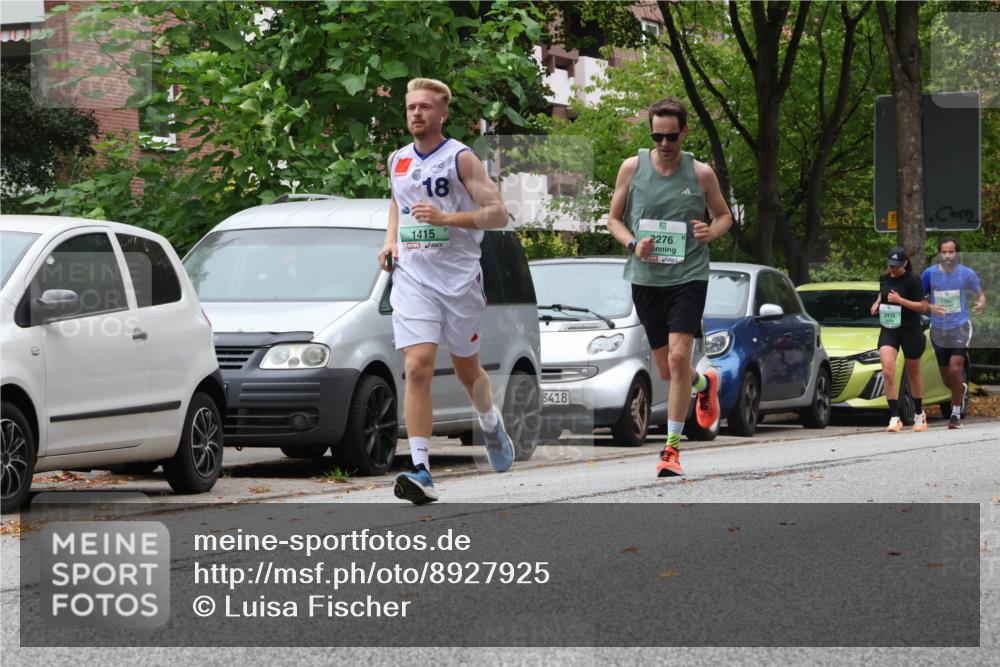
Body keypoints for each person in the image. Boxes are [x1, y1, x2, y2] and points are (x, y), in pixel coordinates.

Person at [378, 78, 513, 505]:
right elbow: (399, 201)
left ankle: (489, 421)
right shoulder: (397, 160)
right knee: (417, 366)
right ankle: (422, 469)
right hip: (414, 278)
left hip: (458, 281)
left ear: (442, 114)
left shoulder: (462, 159)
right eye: (411, 107)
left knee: (467, 370)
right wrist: (389, 240)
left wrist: (446, 219)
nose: (416, 113)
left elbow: (498, 215)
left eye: (424, 107)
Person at [606, 97, 732, 477]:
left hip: (688, 276)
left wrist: (712, 230)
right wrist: (632, 244)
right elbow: (613, 220)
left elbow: (724, 215)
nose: (664, 144)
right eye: (657, 136)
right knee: (665, 369)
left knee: (679, 358)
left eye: (671, 136)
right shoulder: (632, 168)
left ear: (684, 132)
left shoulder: (701, 173)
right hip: (646, 279)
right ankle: (703, 383)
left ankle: (671, 450)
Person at [922, 236, 986, 429]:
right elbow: (920, 299)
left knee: (955, 369)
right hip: (938, 328)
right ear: (939, 253)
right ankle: (961, 388)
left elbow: (980, 294)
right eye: (944, 252)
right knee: (947, 378)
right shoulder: (928, 274)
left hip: (960, 326)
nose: (947, 256)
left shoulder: (967, 274)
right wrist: (931, 307)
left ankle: (955, 415)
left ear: (957, 254)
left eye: (951, 252)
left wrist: (980, 302)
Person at [869, 246, 930, 432]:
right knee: (888, 371)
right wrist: (877, 303)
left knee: (913, 373)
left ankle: (919, 413)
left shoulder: (912, 280)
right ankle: (895, 417)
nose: (892, 269)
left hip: (910, 330)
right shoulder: (885, 278)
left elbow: (922, 307)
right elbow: (884, 291)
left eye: (896, 266)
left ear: (904, 264)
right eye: (890, 265)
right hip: (890, 329)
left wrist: (901, 301)